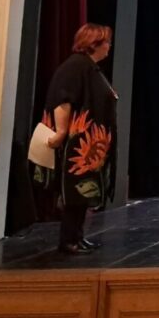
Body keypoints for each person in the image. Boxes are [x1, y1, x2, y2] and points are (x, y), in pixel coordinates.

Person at [45, 23, 118, 254]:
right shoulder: (76, 66)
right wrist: (61, 132)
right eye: (106, 42)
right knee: (75, 192)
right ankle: (69, 241)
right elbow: (63, 100)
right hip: (78, 146)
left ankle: (77, 236)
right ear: (94, 44)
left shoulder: (90, 67)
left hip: (90, 145)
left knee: (82, 194)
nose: (109, 46)